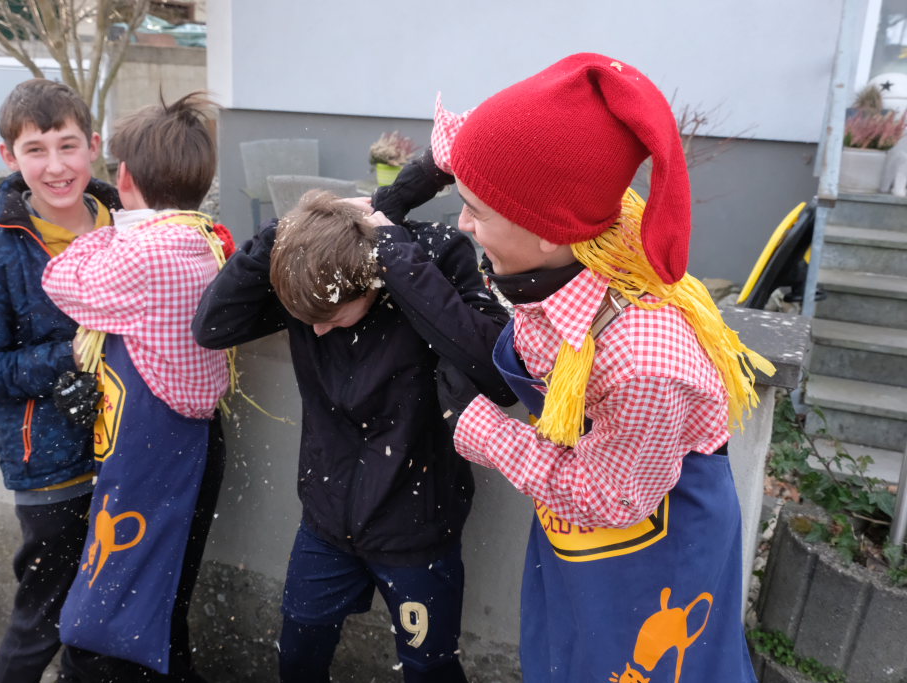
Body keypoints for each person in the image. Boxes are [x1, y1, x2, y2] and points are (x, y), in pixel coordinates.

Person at [437, 53, 775, 682]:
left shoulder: (642, 357)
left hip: (654, 548)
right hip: (576, 533)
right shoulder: (578, 237)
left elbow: (612, 496)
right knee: (566, 655)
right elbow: (469, 157)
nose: (461, 224)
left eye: (475, 210)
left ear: (545, 231)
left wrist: (481, 430)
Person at [192, 189, 513, 682]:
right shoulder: (313, 277)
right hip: (327, 518)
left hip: (416, 527)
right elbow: (212, 326)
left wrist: (395, 253)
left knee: (429, 667)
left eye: (333, 319)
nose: (318, 332)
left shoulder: (428, 260)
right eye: (307, 323)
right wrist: (289, 231)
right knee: (297, 656)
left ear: (373, 283)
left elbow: (496, 370)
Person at [41, 92, 233, 682]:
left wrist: (104, 227)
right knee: (162, 598)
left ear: (123, 178)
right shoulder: (205, 238)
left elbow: (61, 278)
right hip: (194, 443)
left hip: (148, 453)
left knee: (109, 614)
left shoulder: (142, 254)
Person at [0, 78, 120, 683]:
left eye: (68, 146)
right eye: (36, 150)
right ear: (9, 156)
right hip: (49, 464)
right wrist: (66, 358)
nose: (56, 166)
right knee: (43, 617)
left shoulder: (126, 223)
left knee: (106, 617)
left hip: (128, 449)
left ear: (93, 146)